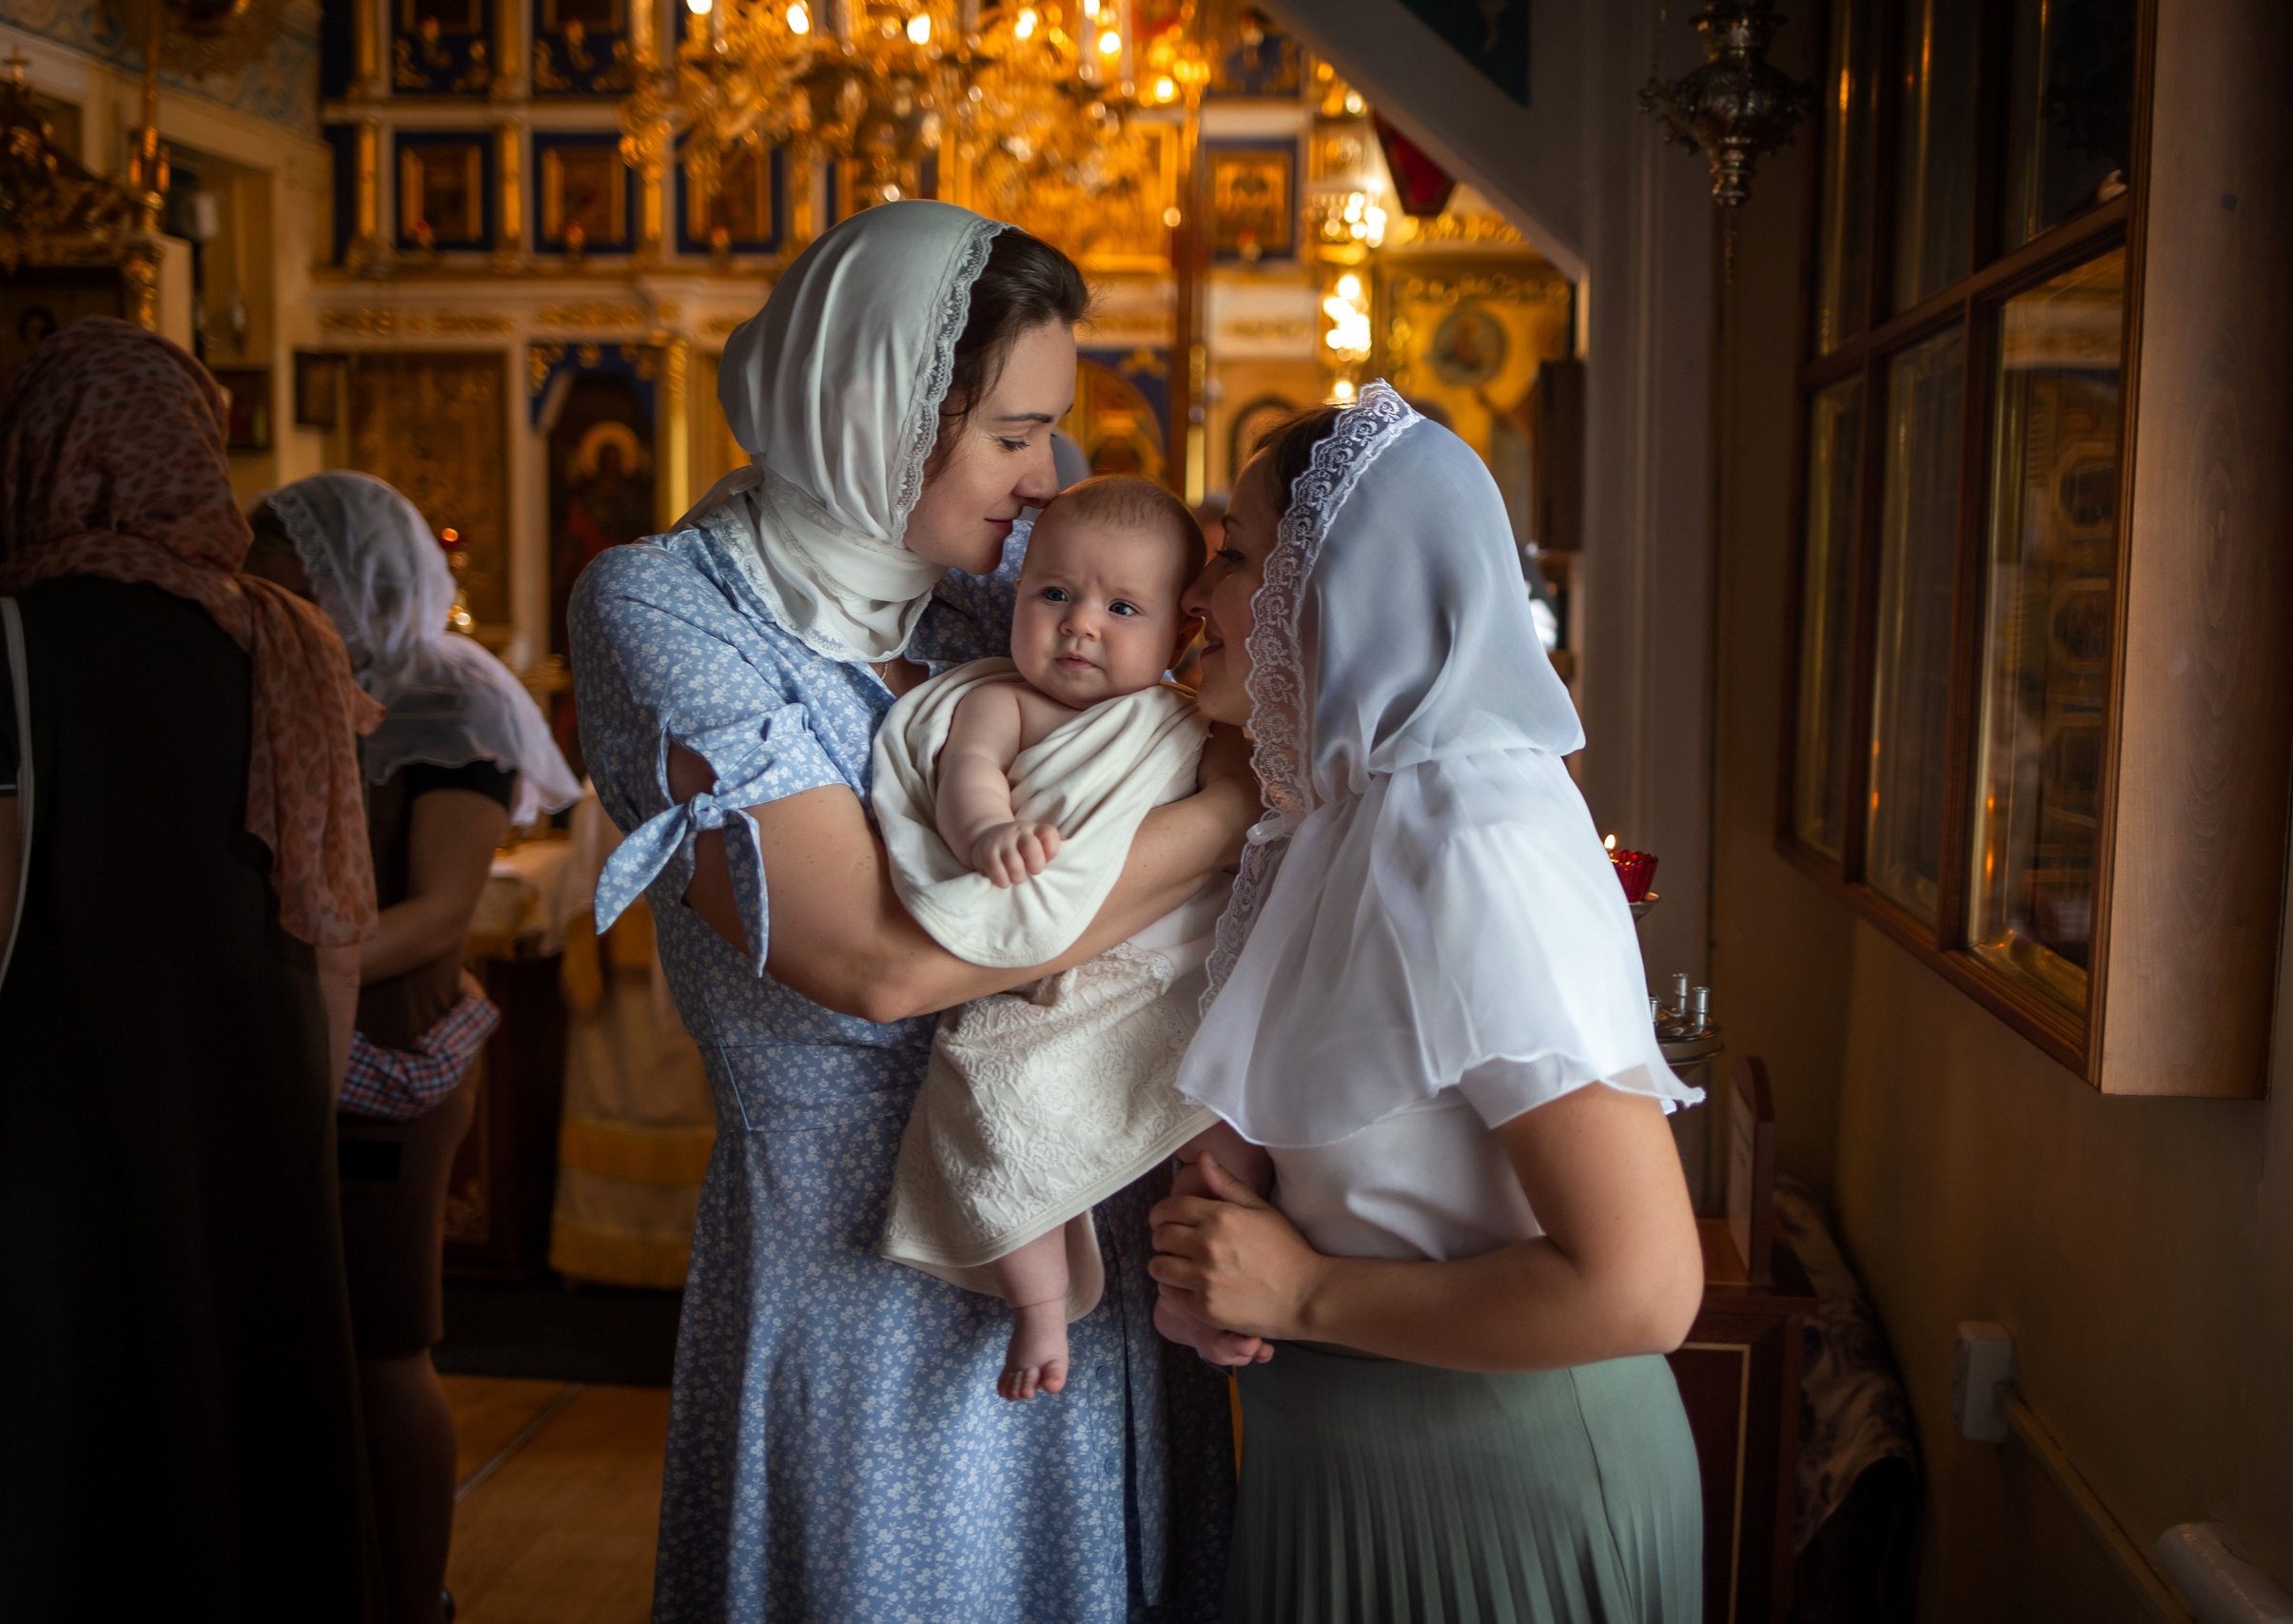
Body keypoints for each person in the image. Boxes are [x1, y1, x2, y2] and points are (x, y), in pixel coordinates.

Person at [568, 200, 1259, 1621]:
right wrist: (1226, 818)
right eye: (1012, 431)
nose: (1046, 471)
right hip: (854, 1274)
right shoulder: (668, 607)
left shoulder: (988, 595)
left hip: (1095, 1217)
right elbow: (877, 963)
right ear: (875, 404)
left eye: (1050, 429)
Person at [1148, 384, 1711, 1621]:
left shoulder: (1474, 838)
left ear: (1344, 582)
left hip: (1503, 1483)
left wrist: (1301, 1291)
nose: (1198, 596)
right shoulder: (1331, 824)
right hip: (1339, 1464)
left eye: (1237, 556)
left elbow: (1647, 1284)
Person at [0, 318, 385, 1618]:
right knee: (250, 1405)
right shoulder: (290, 640)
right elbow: (337, 931)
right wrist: (296, 1116)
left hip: (59, 1096)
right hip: (257, 1095)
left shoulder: (12, 633)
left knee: (73, 1413)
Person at [245, 469, 581, 1624]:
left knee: (387, 1344)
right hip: (291, 1043)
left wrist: (274, 978)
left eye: (288, 577)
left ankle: (407, 1596)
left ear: (352, 577)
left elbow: (440, 911)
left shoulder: (448, 700)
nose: (265, 596)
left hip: (385, 1053)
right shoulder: (284, 679)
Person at [867, 474, 1270, 1401]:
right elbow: (969, 778)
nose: (1079, 623)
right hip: (1051, 983)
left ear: (1178, 632)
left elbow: (1243, 812)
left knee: (1224, 1132)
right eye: (1053, 594)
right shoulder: (999, 704)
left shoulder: (1191, 714)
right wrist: (990, 833)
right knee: (998, 1109)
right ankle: (1040, 1310)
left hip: (1170, 971)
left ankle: (1197, 1299)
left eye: (1121, 606)